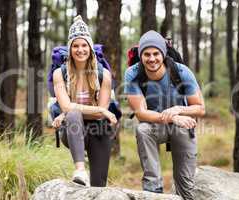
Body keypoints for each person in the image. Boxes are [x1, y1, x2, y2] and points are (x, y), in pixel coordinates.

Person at [124, 30, 205, 199]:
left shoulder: (181, 72)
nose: (152, 59)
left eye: (156, 53)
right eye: (146, 54)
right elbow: (141, 114)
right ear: (141, 55)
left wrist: (178, 110)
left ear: (163, 53)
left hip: (182, 128)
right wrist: (171, 117)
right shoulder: (133, 73)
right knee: (143, 130)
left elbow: (200, 108)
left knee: (186, 187)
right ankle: (153, 192)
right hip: (155, 126)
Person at [52, 15, 117, 187]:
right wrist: (100, 110)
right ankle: (80, 170)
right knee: (73, 114)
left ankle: (93, 182)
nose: (80, 49)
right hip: (72, 130)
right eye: (75, 45)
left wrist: (98, 112)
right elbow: (67, 107)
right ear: (70, 48)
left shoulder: (104, 75)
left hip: (98, 130)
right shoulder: (60, 74)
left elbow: (98, 117)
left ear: (90, 48)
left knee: (98, 186)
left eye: (84, 45)